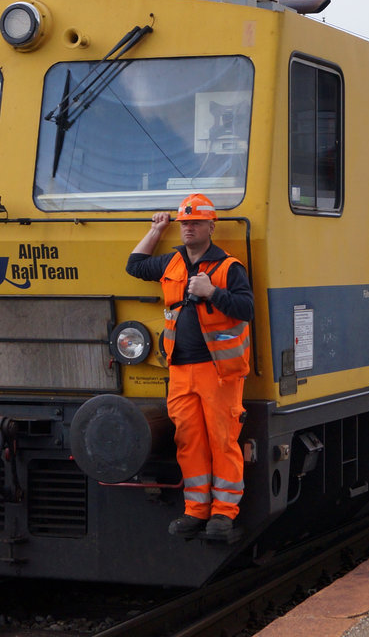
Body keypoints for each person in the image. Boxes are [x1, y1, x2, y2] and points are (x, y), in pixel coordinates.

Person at [126, 193, 254, 538]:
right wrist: (156, 230)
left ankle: (223, 514)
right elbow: (134, 265)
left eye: (195, 223)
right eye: (184, 223)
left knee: (222, 441)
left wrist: (213, 293)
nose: (188, 229)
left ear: (211, 226)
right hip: (180, 371)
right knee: (188, 441)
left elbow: (247, 309)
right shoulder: (172, 263)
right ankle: (196, 511)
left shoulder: (228, 267)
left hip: (218, 372)